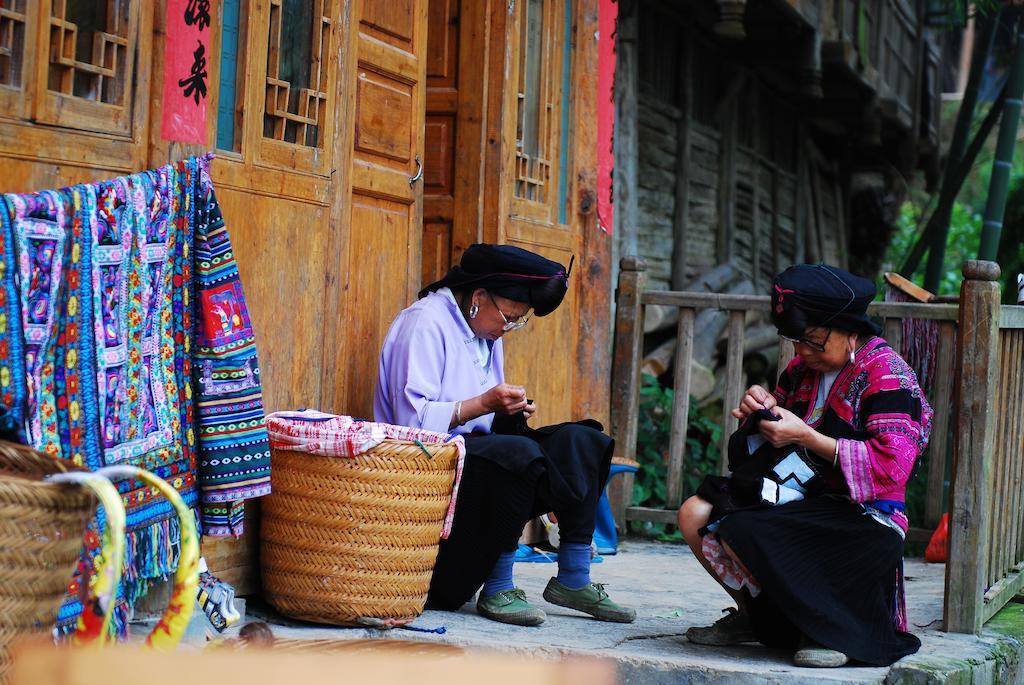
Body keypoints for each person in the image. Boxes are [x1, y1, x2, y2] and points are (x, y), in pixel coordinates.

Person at [677, 264, 932, 668]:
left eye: (814, 341)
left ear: (850, 329)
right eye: (796, 342)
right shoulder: (801, 371)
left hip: (864, 516)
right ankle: (758, 620)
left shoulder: (887, 374)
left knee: (748, 529)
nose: (802, 353)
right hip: (799, 498)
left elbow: (892, 466)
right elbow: (771, 442)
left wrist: (807, 437)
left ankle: (833, 629)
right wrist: (759, 412)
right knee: (697, 513)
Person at [374, 243, 635, 627]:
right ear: (479, 297)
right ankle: (498, 586)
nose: (509, 328)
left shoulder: (485, 333)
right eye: (509, 318)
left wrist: (508, 409)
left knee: (582, 440)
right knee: (514, 455)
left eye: (518, 321)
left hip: (477, 454)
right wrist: (483, 403)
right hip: (428, 462)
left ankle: (573, 577)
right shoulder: (425, 322)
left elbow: (488, 417)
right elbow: (409, 421)